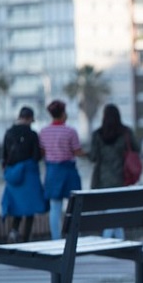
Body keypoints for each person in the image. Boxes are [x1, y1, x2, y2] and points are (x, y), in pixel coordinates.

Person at [88, 103, 140, 238]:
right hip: (121, 178)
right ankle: (117, 241)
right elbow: (136, 148)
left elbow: (93, 157)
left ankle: (108, 241)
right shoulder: (126, 132)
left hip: (102, 180)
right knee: (116, 213)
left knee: (111, 213)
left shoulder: (97, 135)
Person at [39, 100, 85, 240]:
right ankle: (73, 237)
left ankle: (56, 239)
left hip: (52, 172)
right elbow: (77, 151)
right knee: (73, 208)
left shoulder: (44, 132)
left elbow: (42, 153)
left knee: (55, 209)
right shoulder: (70, 131)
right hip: (68, 171)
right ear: (63, 113)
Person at [1, 106, 48, 242]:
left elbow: (4, 155)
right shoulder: (32, 134)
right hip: (29, 177)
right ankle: (26, 239)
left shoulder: (8, 133)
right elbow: (36, 156)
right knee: (29, 209)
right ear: (29, 119)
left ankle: (13, 232)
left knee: (16, 207)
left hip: (13, 175)